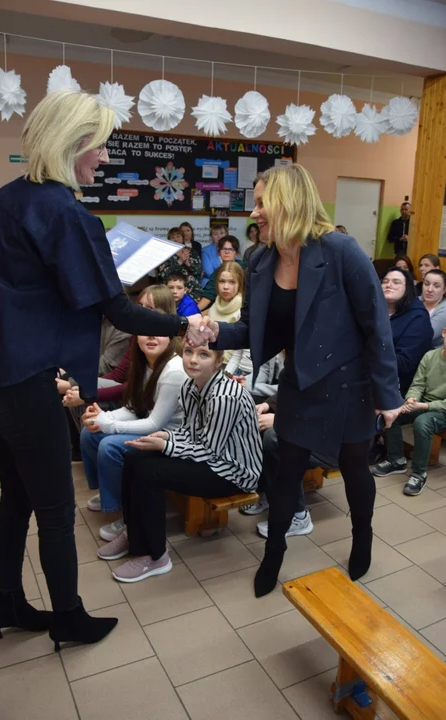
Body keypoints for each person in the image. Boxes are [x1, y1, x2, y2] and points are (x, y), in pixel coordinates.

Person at [0, 89, 213, 649]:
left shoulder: (5, 200)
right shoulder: (66, 212)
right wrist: (184, 321)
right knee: (55, 509)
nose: (103, 157)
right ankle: (69, 618)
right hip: (26, 380)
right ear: (72, 142)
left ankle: (7, 601)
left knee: (15, 496)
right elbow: (118, 311)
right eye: (98, 146)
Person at [198, 164, 403, 598]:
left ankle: (362, 537)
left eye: (261, 203)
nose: (254, 213)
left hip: (349, 385)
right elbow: (256, 330)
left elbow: (376, 326)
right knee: (285, 473)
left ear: (289, 203)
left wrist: (388, 395)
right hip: (300, 383)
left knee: (353, 468)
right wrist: (216, 331)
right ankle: (273, 554)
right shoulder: (260, 260)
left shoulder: (340, 250)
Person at [96, 344, 263, 583]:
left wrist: (165, 446)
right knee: (134, 457)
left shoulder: (224, 396)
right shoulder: (190, 386)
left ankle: (155, 556)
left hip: (233, 472)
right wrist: (167, 436)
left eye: (203, 354)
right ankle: (134, 534)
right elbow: (189, 432)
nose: (193, 360)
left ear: (219, 362)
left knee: (149, 473)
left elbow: (209, 451)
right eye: (188, 352)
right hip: (212, 458)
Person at [80, 324, 186, 541]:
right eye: (145, 331)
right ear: (136, 337)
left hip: (171, 436)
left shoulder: (174, 370)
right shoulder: (144, 363)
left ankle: (128, 514)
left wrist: (109, 425)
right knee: (89, 434)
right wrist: (102, 418)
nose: (152, 335)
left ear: (170, 337)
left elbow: (155, 424)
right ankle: (111, 494)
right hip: (155, 428)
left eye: (159, 332)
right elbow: (134, 407)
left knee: (109, 446)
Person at [63, 285, 176, 432]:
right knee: (79, 391)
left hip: (159, 422)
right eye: (139, 306)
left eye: (149, 308)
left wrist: (87, 395)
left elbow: (125, 383)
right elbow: (122, 376)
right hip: (135, 402)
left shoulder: (164, 349)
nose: (141, 312)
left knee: (84, 391)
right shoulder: (136, 336)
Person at [244, 394, 337, 541]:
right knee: (262, 426)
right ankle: (271, 497)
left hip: (338, 441)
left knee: (276, 439)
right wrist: (267, 405)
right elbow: (294, 389)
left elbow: (333, 414)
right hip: (311, 427)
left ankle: (298, 516)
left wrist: (282, 420)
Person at [373, 332, 446, 496]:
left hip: (442, 410)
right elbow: (418, 384)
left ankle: (419, 474)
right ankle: (396, 460)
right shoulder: (430, 356)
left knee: (423, 422)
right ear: (444, 333)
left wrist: (423, 406)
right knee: (392, 412)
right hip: (424, 402)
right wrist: (412, 399)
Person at [381, 267, 433, 395]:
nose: (388, 285)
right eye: (385, 281)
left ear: (407, 288)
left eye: (396, 282)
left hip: (397, 386)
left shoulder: (418, 318)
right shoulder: (374, 311)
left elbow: (404, 363)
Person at [198, 236, 248, 310]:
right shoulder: (217, 272)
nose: (227, 252)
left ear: (236, 253)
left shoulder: (243, 269)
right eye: (224, 249)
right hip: (219, 306)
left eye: (230, 249)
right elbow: (208, 294)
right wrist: (194, 312)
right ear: (219, 252)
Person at [156, 228, 202, 301]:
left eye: (178, 236)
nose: (175, 239)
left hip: (190, 286)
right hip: (171, 286)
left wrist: (188, 263)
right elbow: (163, 275)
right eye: (172, 237)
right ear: (169, 240)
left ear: (183, 238)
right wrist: (180, 261)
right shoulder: (165, 253)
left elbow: (199, 272)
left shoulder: (191, 252)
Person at [420, 270, 446, 349]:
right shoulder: (415, 301)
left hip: (431, 353)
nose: (430, 289)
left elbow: (424, 335)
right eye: (426, 284)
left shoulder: (444, 309)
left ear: (444, 290)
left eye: (436, 286)